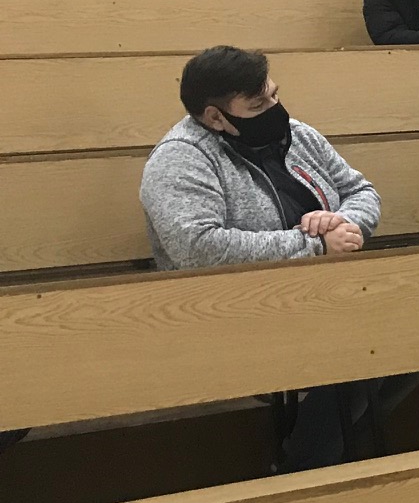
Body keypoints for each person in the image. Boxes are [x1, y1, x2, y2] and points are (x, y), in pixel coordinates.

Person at [138, 45, 397, 471]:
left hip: (325, 291)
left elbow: (360, 191)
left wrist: (341, 223)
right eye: (258, 105)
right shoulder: (180, 158)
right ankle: (305, 466)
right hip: (235, 306)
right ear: (215, 117)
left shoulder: (298, 135)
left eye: (275, 94)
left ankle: (327, 450)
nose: (275, 109)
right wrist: (314, 245)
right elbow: (198, 248)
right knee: (369, 347)